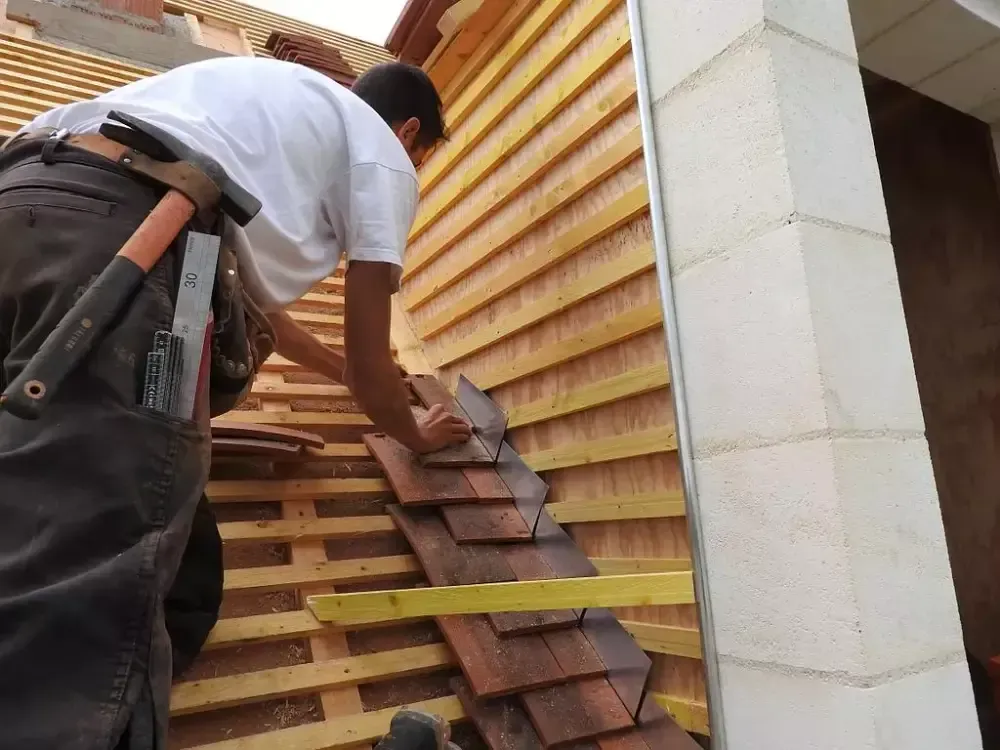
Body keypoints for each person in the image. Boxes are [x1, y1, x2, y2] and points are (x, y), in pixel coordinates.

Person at [0, 56, 471, 750]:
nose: (415, 169)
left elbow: (254, 306)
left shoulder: (253, 106)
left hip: (32, 199)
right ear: (408, 131)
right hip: (138, 242)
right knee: (88, 572)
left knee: (121, 502)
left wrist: (341, 371)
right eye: (423, 155)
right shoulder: (380, 152)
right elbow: (375, 369)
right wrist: (421, 433)